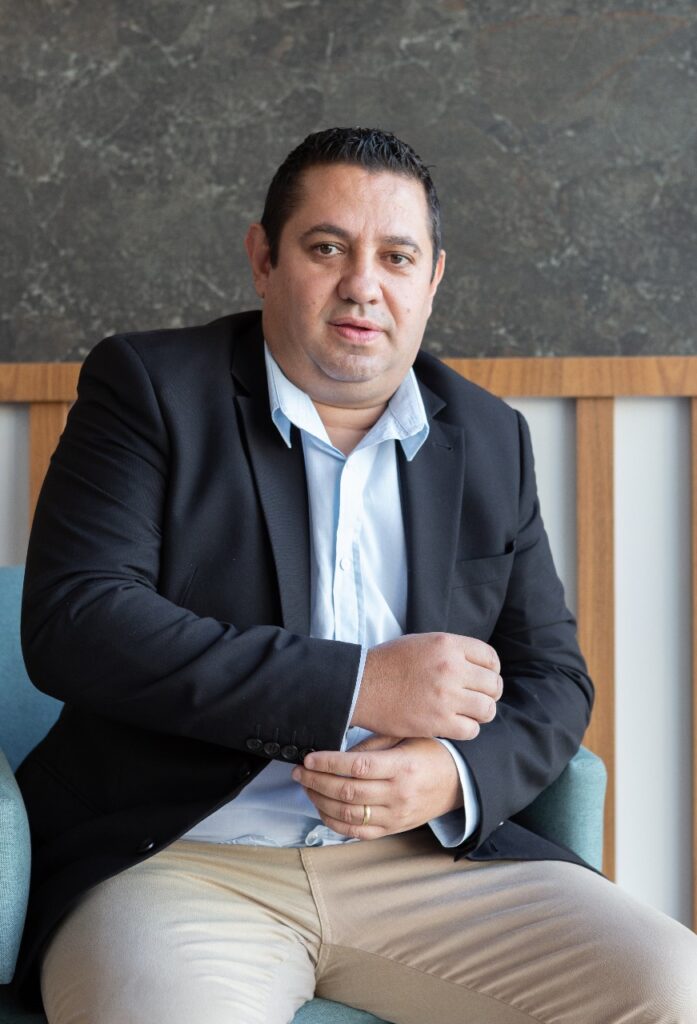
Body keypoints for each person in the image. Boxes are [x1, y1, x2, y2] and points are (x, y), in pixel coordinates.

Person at [16, 127, 697, 1024]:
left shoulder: (489, 437)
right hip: (180, 859)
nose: (362, 285)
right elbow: (78, 622)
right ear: (264, 258)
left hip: (424, 864)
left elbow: (553, 679)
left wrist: (450, 775)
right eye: (327, 247)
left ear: (432, 279)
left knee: (669, 985)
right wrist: (362, 684)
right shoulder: (149, 387)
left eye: (396, 257)